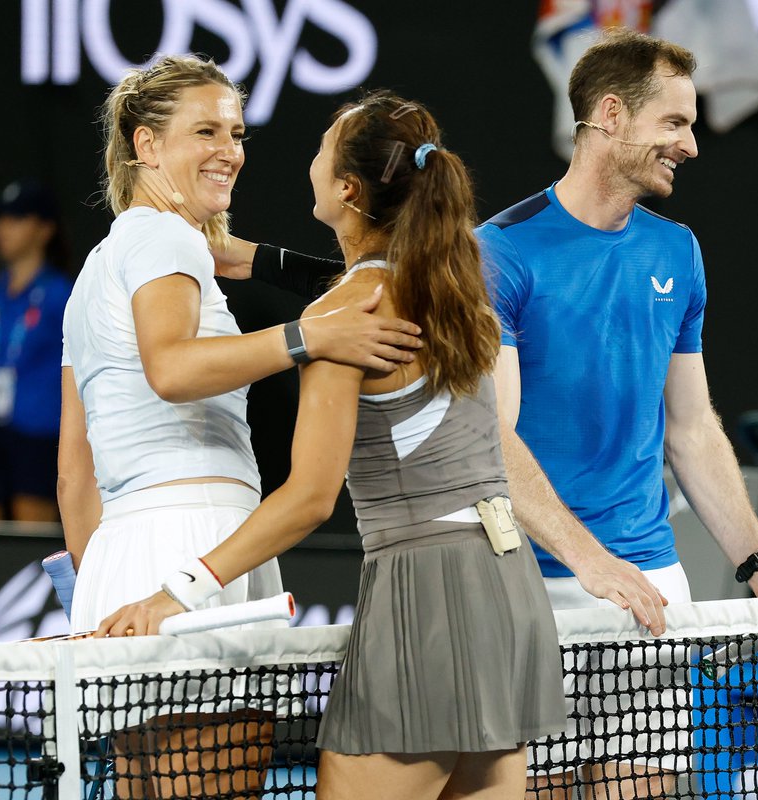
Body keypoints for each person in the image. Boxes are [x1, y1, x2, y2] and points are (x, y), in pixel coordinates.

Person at [96, 90, 566, 800]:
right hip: (505, 589)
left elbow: (309, 498)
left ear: (346, 186)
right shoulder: (452, 286)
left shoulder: (343, 316)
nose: (304, 157)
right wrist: (226, 250)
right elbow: (337, 275)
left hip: (426, 599)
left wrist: (177, 593)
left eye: (321, 147)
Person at [477, 29, 758, 799]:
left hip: (647, 585)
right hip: (530, 592)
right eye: (675, 123)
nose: (692, 145)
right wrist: (589, 563)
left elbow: (690, 426)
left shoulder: (677, 252)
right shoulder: (497, 254)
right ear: (611, 115)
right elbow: (491, 438)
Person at [57, 55, 422, 798]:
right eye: (205, 132)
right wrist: (307, 338)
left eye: (236, 131)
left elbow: (73, 474)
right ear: (145, 145)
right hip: (200, 544)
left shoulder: (105, 263)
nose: (230, 150)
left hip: (121, 555)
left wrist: (110, 583)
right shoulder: (167, 241)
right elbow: (173, 367)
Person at [0, 179, 72, 521]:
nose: (2, 228)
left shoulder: (62, 294)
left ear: (44, 229)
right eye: (0, 218)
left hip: (40, 429)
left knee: (31, 530)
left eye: (16, 218)